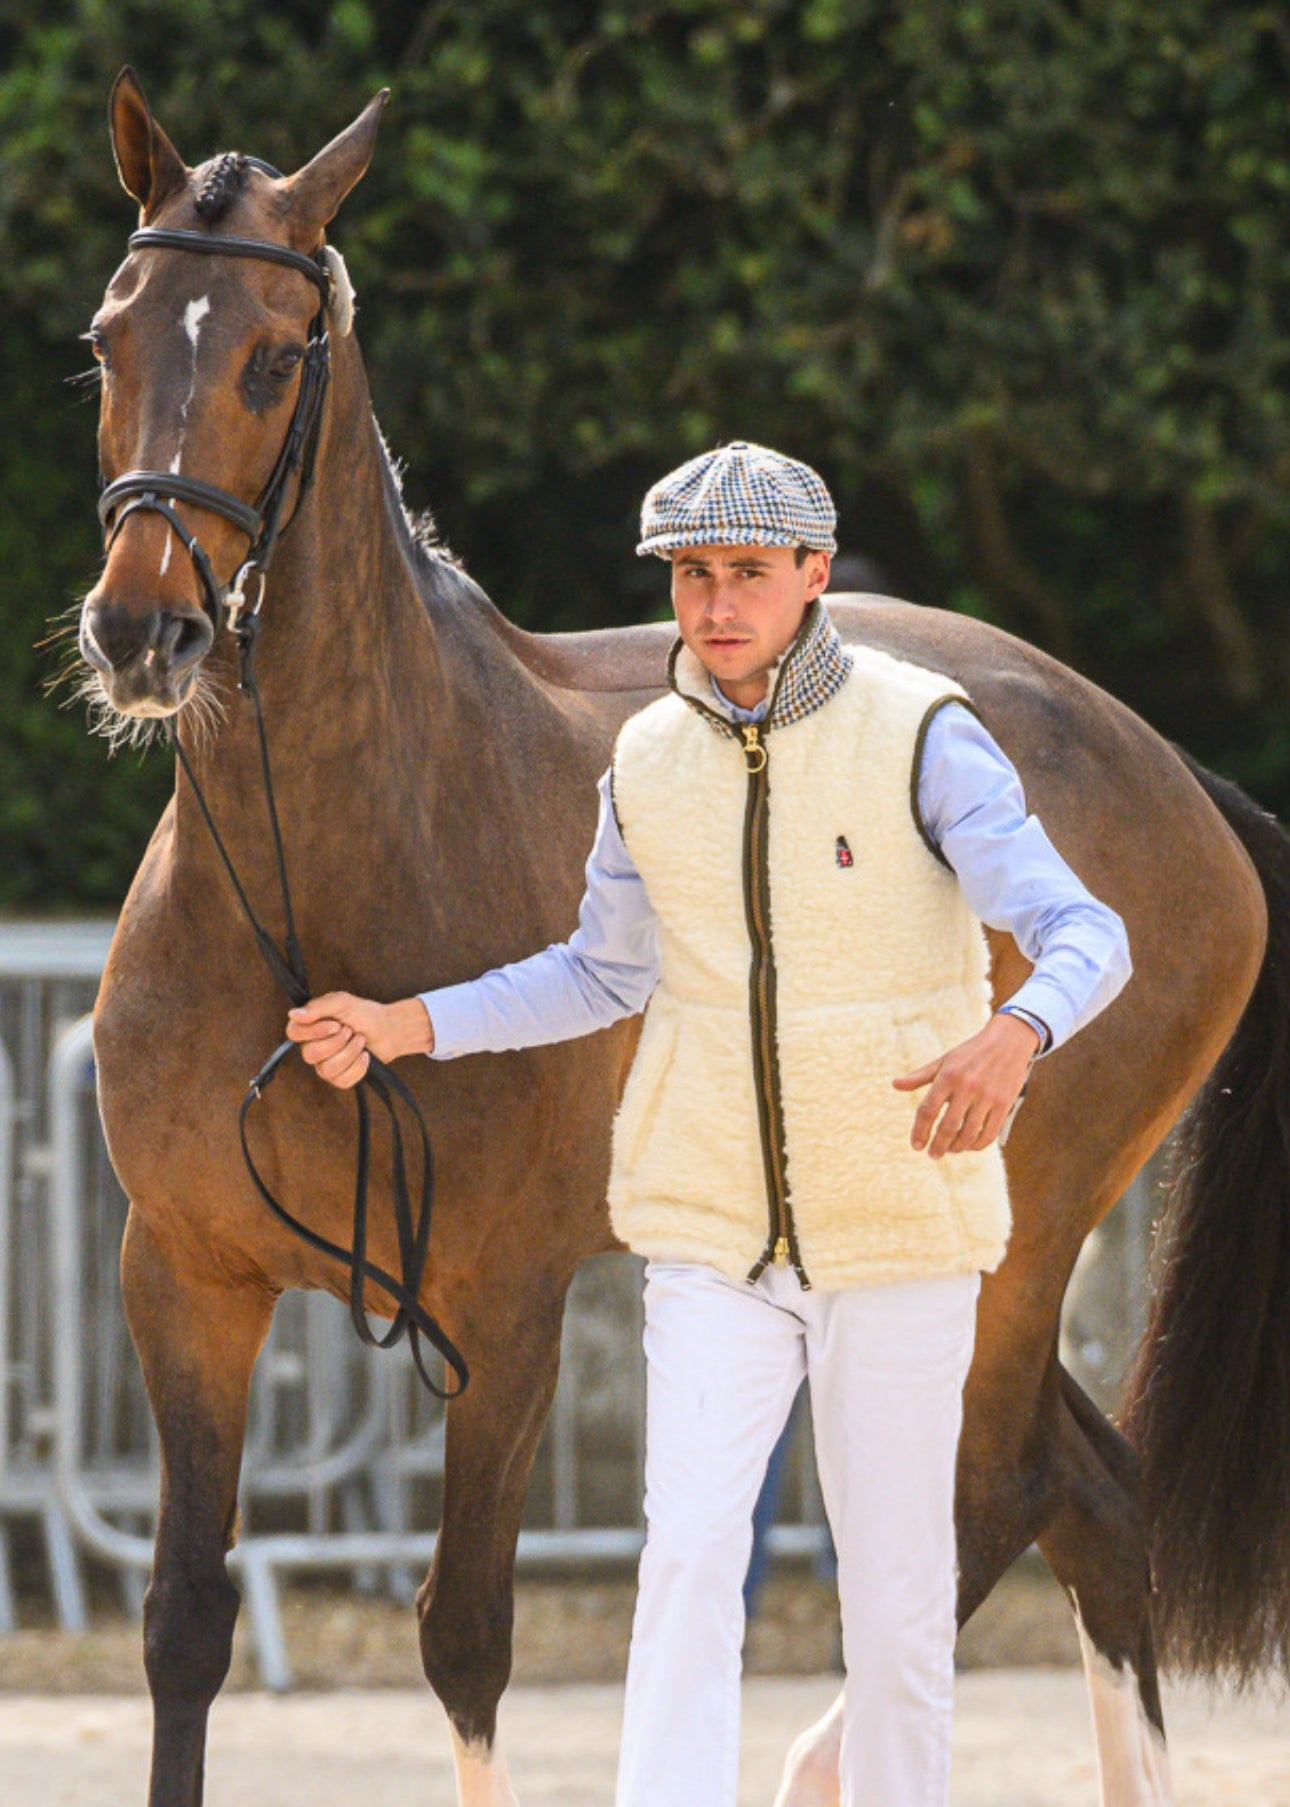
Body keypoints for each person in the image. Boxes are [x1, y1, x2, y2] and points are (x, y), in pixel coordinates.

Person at [286, 441, 1131, 1807]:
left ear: (811, 573)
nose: (716, 601)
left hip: (900, 1229)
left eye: (747, 571)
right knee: (681, 1558)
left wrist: (1015, 1031)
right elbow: (600, 970)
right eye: (691, 574)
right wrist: (407, 1023)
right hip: (706, 1236)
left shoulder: (923, 730)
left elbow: (1082, 931)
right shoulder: (647, 761)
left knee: (898, 1591)